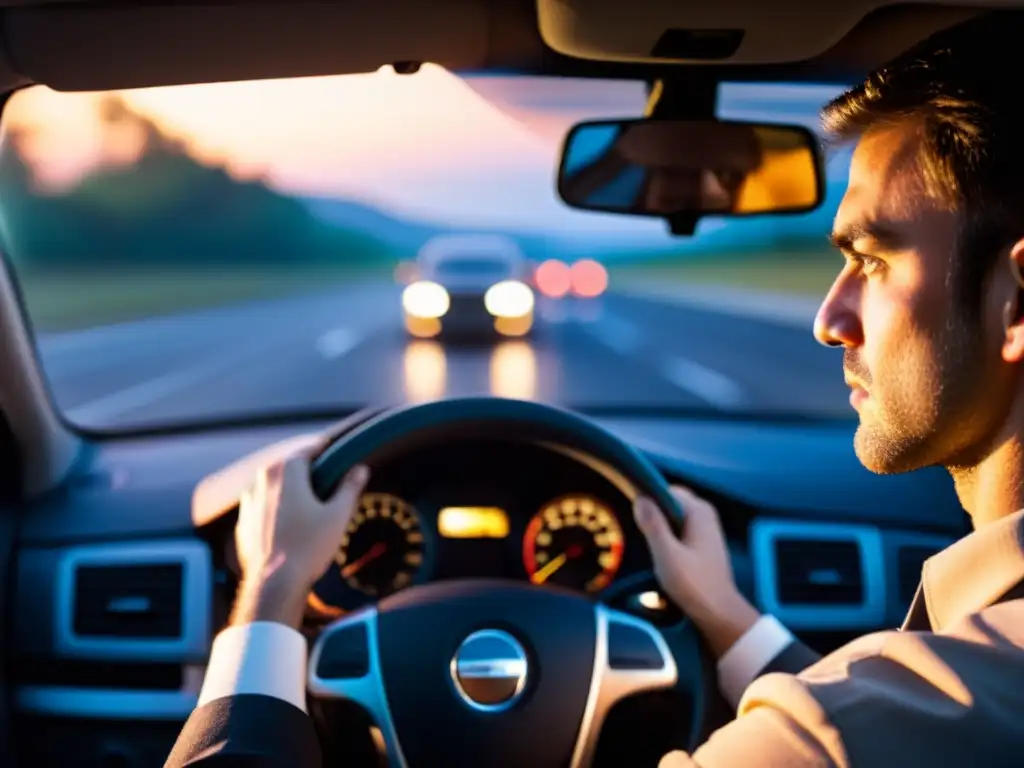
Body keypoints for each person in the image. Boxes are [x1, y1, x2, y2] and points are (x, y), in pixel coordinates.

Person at [165, 12, 1024, 767]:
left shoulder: (829, 740)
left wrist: (273, 589)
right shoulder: (917, 708)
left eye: (871, 259)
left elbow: (843, 730)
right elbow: (876, 720)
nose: (828, 319)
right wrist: (727, 618)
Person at [560, 119, 764, 214]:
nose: (687, 188)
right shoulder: (632, 153)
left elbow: (578, 189)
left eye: (672, 200)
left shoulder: (633, 151)